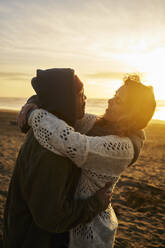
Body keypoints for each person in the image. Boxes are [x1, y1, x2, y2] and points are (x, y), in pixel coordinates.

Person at [18, 73, 156, 247]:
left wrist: (32, 114)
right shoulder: (100, 124)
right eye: (114, 95)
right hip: (70, 216)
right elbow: (66, 107)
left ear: (130, 114)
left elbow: (72, 142)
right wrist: (35, 101)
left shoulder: (123, 149)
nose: (110, 101)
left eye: (118, 101)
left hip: (89, 230)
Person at [3, 69, 113, 248]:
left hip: (20, 231)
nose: (85, 99)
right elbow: (51, 218)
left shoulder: (48, 129)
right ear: (65, 100)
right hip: (32, 239)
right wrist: (96, 203)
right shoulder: (53, 149)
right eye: (80, 95)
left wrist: (34, 101)